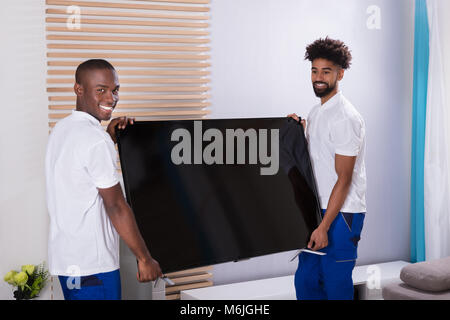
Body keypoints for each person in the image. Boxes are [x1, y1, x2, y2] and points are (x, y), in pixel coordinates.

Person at [45, 59, 163, 300]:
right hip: (94, 267)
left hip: (69, 260)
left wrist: (108, 136)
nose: (111, 98)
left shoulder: (63, 129)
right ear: (79, 89)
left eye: (115, 90)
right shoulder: (94, 140)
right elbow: (116, 206)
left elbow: (81, 177)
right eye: (101, 90)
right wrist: (145, 258)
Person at [288, 37, 366, 300]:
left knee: (335, 284)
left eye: (326, 71)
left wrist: (323, 227)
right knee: (306, 281)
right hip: (316, 208)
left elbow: (343, 180)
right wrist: (300, 132)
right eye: (314, 70)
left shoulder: (345, 117)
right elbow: (315, 160)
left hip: (341, 213)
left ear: (340, 74)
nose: (318, 77)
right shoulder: (317, 111)